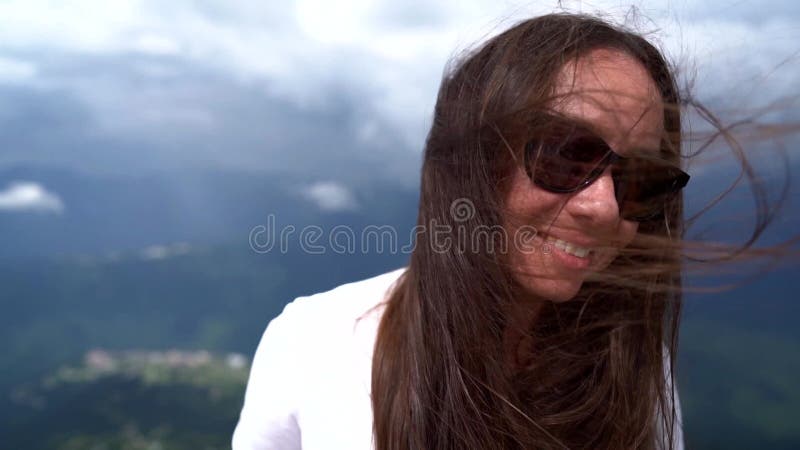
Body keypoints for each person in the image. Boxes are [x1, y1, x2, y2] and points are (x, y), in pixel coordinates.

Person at [233, 12, 693, 450]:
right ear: (473, 161)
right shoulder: (317, 343)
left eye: (641, 181)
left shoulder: (639, 370)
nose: (605, 208)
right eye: (567, 154)